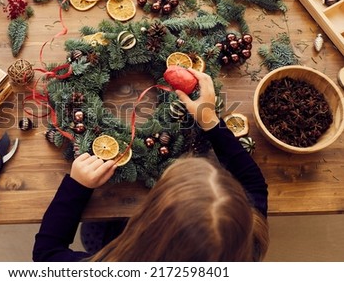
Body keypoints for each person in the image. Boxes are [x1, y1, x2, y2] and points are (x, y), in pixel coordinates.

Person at [33, 69, 269, 262]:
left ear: (151, 223)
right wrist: (209, 120)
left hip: (120, 245)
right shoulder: (249, 241)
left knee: (96, 231)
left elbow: (47, 253)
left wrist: (77, 187)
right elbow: (254, 184)